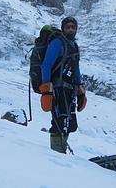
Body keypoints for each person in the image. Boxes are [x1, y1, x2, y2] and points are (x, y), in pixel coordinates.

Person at [39, 16, 86, 153]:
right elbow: (46, 65)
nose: (71, 30)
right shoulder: (57, 43)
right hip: (57, 88)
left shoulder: (74, 46)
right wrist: (46, 90)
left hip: (70, 90)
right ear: (63, 29)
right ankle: (56, 153)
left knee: (70, 123)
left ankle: (61, 149)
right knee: (60, 121)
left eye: (73, 27)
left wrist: (80, 90)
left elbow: (75, 69)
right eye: (68, 27)